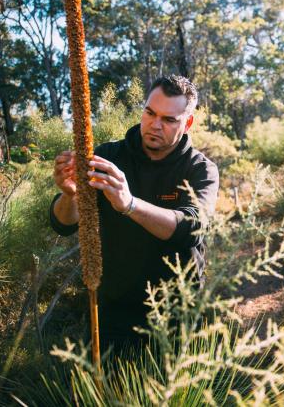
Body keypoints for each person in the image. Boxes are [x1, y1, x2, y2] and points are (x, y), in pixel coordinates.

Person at [49, 75, 219, 352]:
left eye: (169, 119)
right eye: (150, 113)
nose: (155, 124)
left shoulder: (200, 169)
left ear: (187, 123)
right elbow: (63, 224)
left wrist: (129, 204)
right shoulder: (109, 156)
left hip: (177, 316)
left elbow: (192, 227)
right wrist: (72, 195)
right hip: (113, 314)